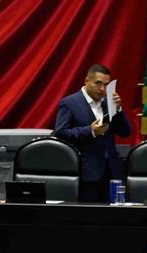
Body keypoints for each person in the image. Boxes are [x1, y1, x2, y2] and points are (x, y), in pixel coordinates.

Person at [53, 63, 132, 202]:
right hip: (86, 173)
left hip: (112, 172)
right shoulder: (69, 103)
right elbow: (60, 133)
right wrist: (90, 131)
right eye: (98, 83)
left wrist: (119, 110)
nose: (102, 89)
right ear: (87, 81)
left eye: (106, 85)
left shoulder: (109, 103)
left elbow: (125, 132)